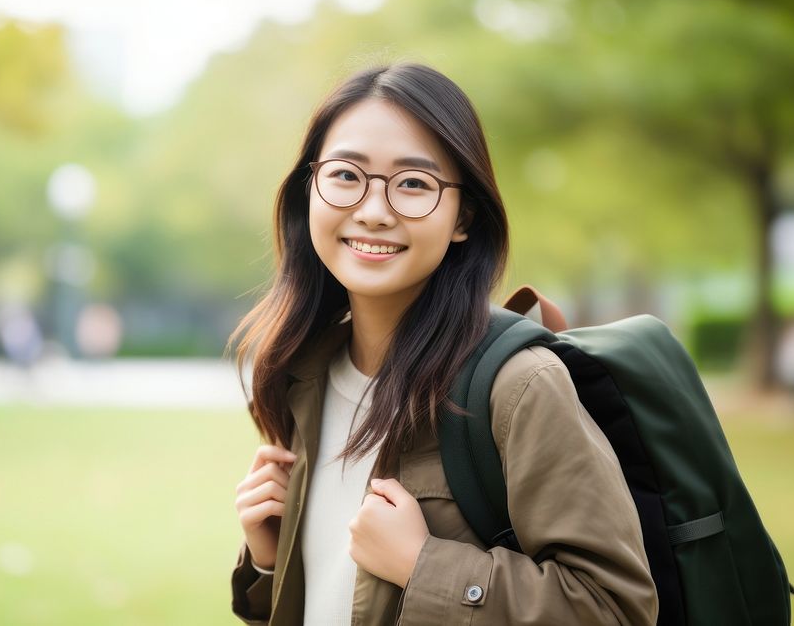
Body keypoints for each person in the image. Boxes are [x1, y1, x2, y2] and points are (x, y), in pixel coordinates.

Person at [228, 62, 658, 625]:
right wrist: (268, 560)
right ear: (310, 188)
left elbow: (615, 609)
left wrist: (422, 565)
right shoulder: (301, 374)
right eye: (345, 175)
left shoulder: (519, 385)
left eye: (413, 184)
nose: (374, 211)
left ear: (464, 218)